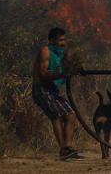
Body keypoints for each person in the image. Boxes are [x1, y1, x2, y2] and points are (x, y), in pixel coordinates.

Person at [31, 26, 82, 161]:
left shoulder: (62, 54)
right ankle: (63, 150)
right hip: (41, 88)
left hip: (52, 90)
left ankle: (68, 148)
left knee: (70, 115)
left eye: (64, 40)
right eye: (60, 40)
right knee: (56, 115)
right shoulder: (45, 51)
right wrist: (62, 72)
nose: (63, 43)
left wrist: (75, 69)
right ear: (51, 40)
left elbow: (70, 67)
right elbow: (43, 75)